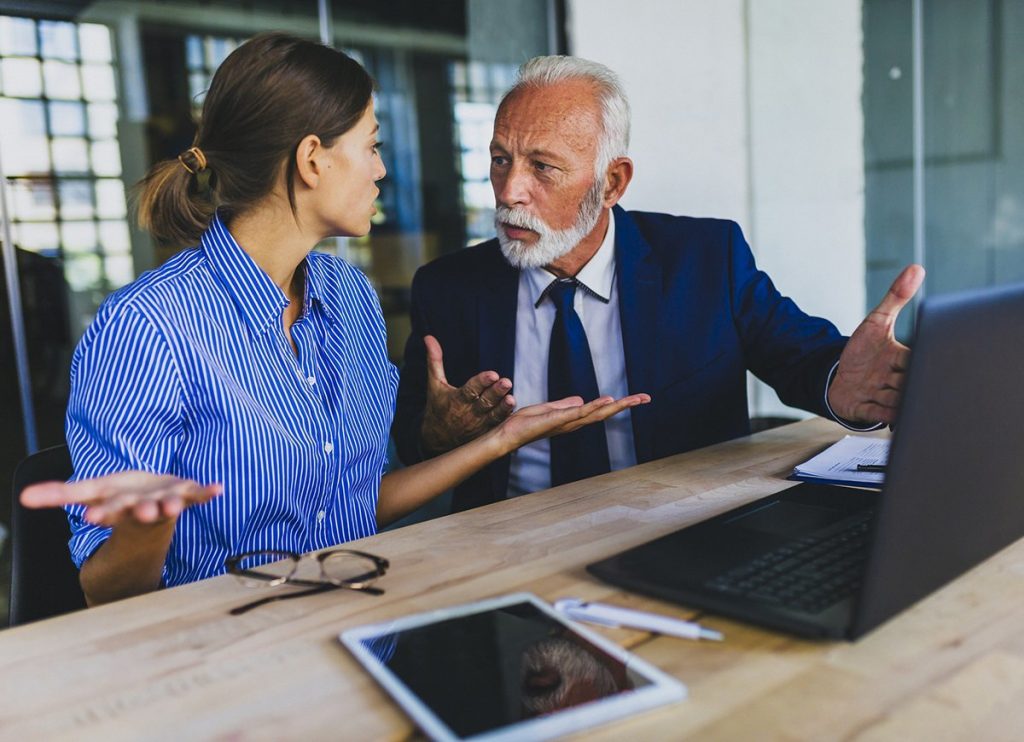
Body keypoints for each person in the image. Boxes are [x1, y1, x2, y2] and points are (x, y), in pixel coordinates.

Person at [19, 35, 648, 607]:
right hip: (226, 667)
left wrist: (500, 441)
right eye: (371, 146)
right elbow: (106, 590)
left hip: (363, 632)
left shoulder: (349, 296)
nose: (381, 170)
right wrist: (148, 525)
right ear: (313, 160)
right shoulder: (147, 328)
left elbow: (355, 506)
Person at [392, 55, 924, 512]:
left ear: (612, 182)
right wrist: (440, 434)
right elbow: (417, 441)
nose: (509, 191)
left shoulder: (705, 258)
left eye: (543, 167)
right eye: (500, 159)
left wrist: (840, 380)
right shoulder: (448, 288)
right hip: (506, 562)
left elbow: (799, 356)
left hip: (677, 539)